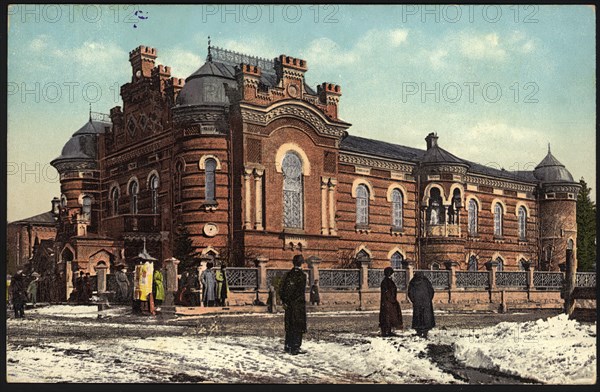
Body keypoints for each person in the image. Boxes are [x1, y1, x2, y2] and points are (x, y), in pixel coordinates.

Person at [279, 255, 307, 355]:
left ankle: (288, 346)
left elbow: (281, 288)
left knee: (289, 325)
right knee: (298, 326)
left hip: (289, 305)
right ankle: (295, 347)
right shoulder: (302, 276)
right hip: (298, 305)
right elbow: (300, 292)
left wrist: (285, 301)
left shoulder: (287, 275)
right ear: (301, 263)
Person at [408, 271, 435, 339]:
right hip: (426, 303)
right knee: (426, 317)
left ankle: (419, 331)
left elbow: (410, 292)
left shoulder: (413, 282)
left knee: (418, 317)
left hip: (418, 303)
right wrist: (429, 299)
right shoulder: (426, 281)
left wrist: (413, 300)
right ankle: (425, 332)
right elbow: (431, 291)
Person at [379, 267, 403, 337]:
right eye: (392, 274)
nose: (393, 275)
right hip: (388, 302)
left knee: (389, 316)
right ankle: (386, 332)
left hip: (389, 301)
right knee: (387, 316)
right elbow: (387, 292)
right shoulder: (386, 282)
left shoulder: (387, 281)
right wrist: (392, 300)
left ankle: (388, 331)